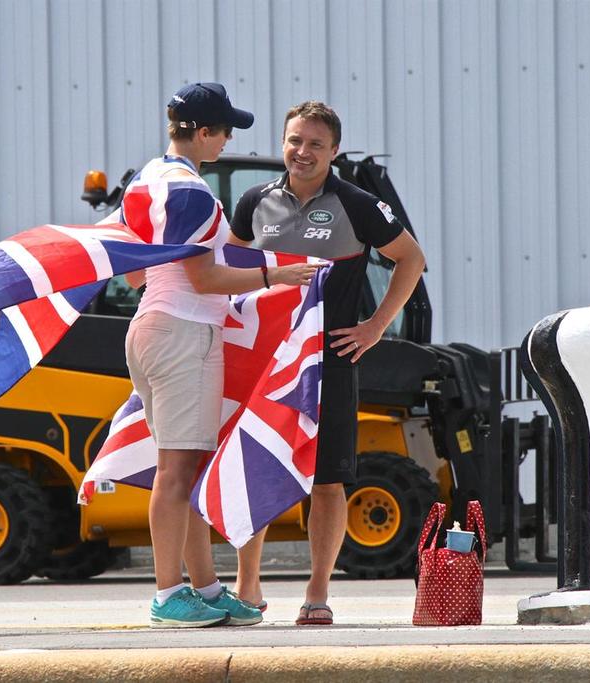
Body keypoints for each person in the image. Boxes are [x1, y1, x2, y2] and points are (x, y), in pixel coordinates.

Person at [122, 83, 323, 629]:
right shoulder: (189, 192)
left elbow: (135, 269)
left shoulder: (148, 180)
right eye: (225, 129)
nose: (229, 138)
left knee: (184, 466)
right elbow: (204, 276)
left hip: (156, 325)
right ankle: (168, 594)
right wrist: (273, 275)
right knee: (178, 469)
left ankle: (205, 588)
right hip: (184, 331)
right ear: (204, 132)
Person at [229, 101, 426, 625]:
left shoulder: (356, 203)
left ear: (333, 151)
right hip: (265, 364)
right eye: (295, 140)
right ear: (283, 141)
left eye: (316, 143)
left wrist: (375, 327)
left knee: (328, 482)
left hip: (330, 362)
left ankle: (317, 595)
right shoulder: (253, 201)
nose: (303, 151)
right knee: (255, 469)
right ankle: (247, 590)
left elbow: (411, 258)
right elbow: (227, 266)